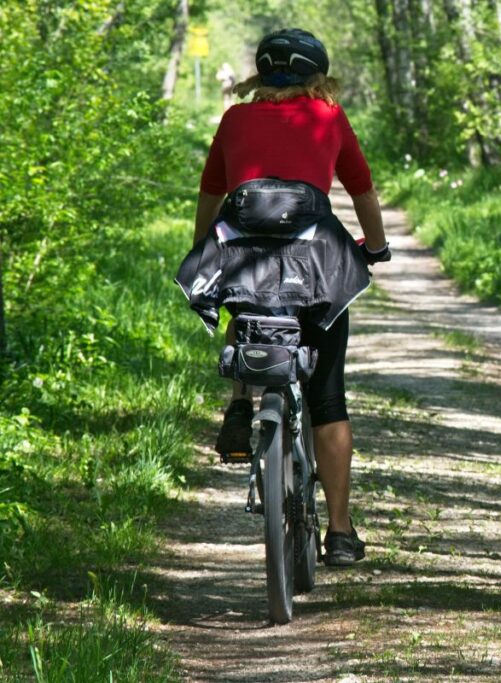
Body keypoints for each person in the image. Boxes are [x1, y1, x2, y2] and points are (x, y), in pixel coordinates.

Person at [192, 28, 391, 566]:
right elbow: (362, 190)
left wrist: (202, 251)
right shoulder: (328, 116)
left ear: (260, 74)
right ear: (316, 77)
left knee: (244, 297)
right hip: (316, 263)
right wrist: (375, 248)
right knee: (328, 397)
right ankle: (342, 533)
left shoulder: (234, 119)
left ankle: (239, 401)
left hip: (245, 258)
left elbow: (212, 195)